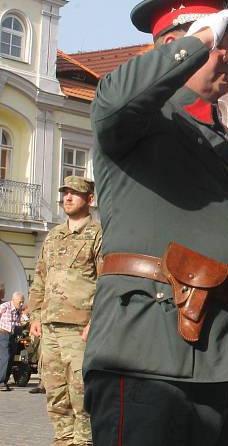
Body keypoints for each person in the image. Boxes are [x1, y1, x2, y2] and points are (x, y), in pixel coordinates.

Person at [84, 0, 228, 445]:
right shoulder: (140, 121)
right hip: (148, 343)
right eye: (220, 43)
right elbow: (113, 100)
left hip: (223, 346)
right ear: (175, 46)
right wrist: (199, 38)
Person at [27, 176, 101, 445]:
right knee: (55, 394)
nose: (67, 198)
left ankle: (83, 442)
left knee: (81, 394)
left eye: (75, 193)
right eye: (65, 193)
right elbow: (40, 278)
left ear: (89, 199)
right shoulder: (54, 235)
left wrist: (96, 321)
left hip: (80, 330)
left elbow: (106, 282)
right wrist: (35, 316)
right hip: (50, 329)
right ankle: (63, 440)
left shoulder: (98, 235)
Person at [0, 291, 24, 391]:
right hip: (3, 334)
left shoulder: (19, 310)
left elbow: (17, 322)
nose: (22, 304)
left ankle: (5, 381)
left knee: (10, 359)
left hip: (12, 336)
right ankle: (1, 383)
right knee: (5, 357)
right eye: (20, 302)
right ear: (13, 300)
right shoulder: (5, 306)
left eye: (23, 302)